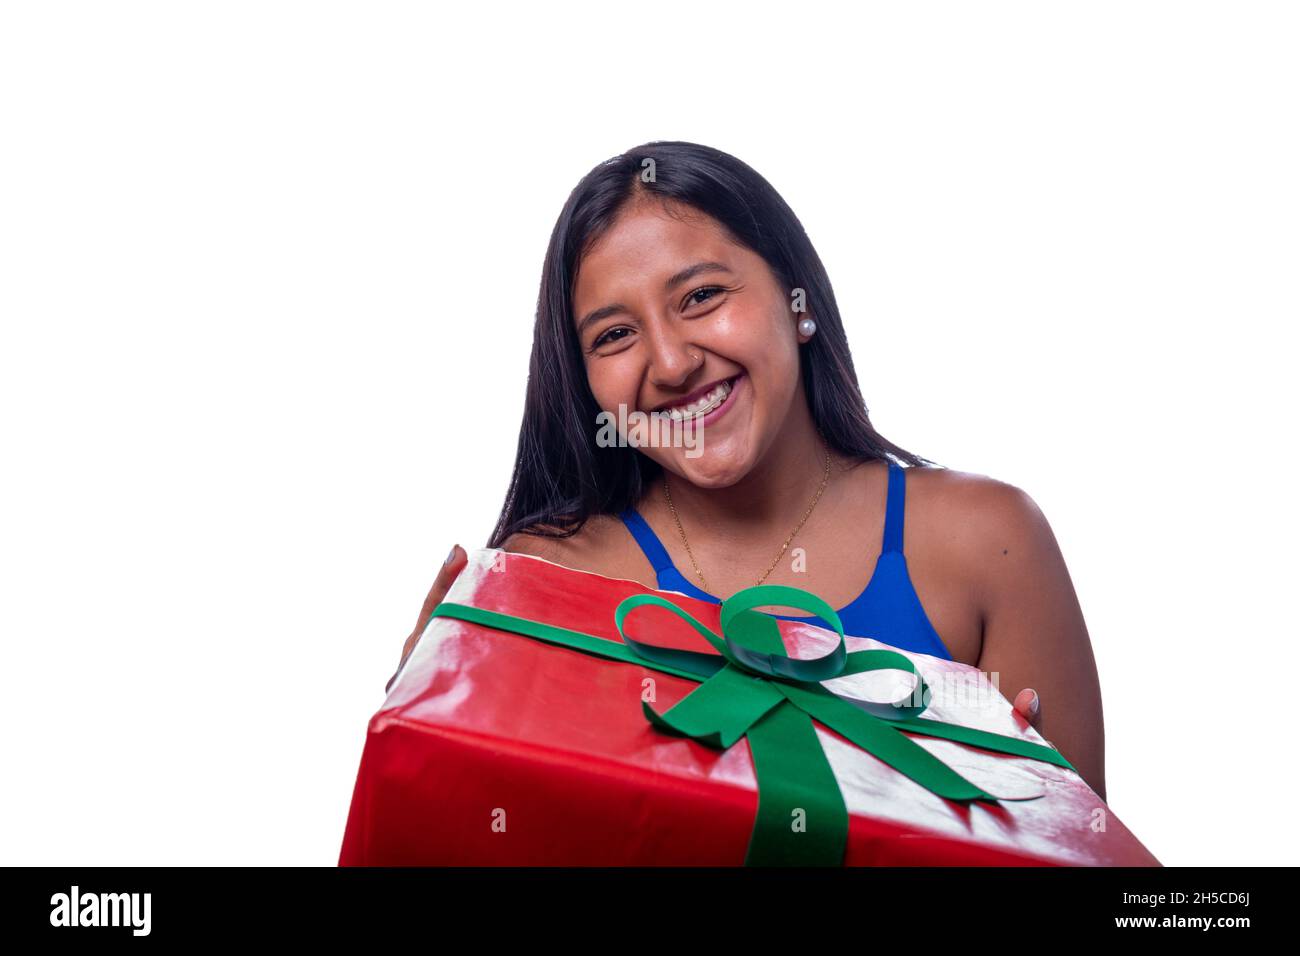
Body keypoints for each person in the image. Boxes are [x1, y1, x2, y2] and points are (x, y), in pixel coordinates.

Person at [393, 142, 1105, 801]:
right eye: (615, 335)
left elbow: (1083, 849)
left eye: (701, 296)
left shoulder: (988, 541)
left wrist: (1016, 810)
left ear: (799, 303)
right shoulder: (547, 580)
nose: (671, 364)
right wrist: (417, 733)